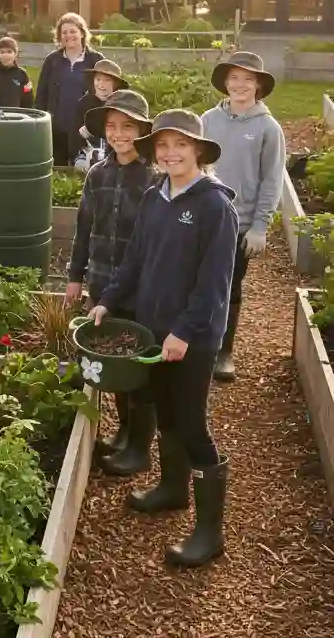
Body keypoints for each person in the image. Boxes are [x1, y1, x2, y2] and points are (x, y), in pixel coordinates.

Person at [89, 109, 238, 568]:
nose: (171, 153)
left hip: (192, 340)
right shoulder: (157, 197)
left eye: (181, 146)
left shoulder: (215, 207)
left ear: (198, 151)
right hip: (153, 331)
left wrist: (184, 332)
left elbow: (215, 285)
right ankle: (173, 489)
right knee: (166, 414)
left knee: (192, 425)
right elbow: (134, 260)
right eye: (164, 146)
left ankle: (210, 534)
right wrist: (108, 301)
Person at [65, 90, 157, 476]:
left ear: (142, 132)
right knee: (116, 365)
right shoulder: (97, 175)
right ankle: (122, 435)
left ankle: (139, 448)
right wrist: (75, 277)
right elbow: (84, 230)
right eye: (113, 126)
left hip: (142, 289)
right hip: (103, 285)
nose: (119, 134)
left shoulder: (155, 178)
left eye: (128, 127)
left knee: (139, 370)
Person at [202, 51, 285, 382]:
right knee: (194, 281)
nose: (240, 85)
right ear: (225, 82)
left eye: (248, 79)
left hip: (239, 224)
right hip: (204, 218)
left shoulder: (268, 128)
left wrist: (260, 226)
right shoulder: (208, 119)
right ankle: (196, 343)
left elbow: (272, 179)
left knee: (228, 287)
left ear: (259, 86)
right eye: (234, 78)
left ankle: (224, 350)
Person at [35, 13, 104, 166]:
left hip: (86, 128)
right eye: (64, 32)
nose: (68, 36)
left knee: (82, 171)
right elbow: (42, 94)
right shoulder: (52, 60)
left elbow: (107, 92)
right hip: (57, 126)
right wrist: (40, 120)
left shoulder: (96, 60)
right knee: (58, 170)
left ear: (82, 33)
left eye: (72, 31)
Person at [70, 59, 128, 169]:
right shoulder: (84, 103)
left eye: (107, 80)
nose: (102, 84)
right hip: (87, 154)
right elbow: (73, 138)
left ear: (115, 84)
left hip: (117, 154)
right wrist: (81, 135)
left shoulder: (122, 106)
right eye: (98, 79)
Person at [0, 36, 33, 109]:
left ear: (15, 54)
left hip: (16, 117)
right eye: (2, 52)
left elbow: (28, 101)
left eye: (9, 52)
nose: (6, 55)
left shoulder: (22, 75)